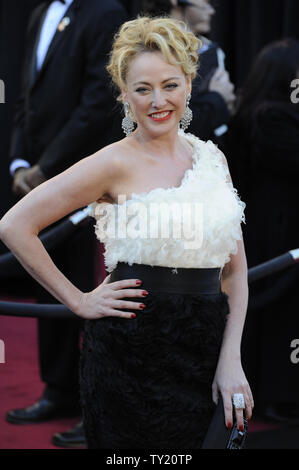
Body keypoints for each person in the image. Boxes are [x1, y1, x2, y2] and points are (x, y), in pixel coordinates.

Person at [0, 16, 253, 449]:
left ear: (190, 84)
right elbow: (15, 225)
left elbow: (235, 273)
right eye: (143, 89)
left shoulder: (213, 160)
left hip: (207, 355)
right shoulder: (111, 162)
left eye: (170, 85)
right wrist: (78, 300)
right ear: (123, 95)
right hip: (128, 357)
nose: (159, 101)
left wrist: (232, 358)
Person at [7, 0, 127, 448]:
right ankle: (58, 390)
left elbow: (98, 101)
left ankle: (93, 402)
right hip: (39, 174)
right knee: (48, 283)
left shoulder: (103, 11)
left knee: (91, 288)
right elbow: (26, 95)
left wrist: (48, 169)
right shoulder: (39, 12)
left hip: (85, 180)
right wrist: (21, 161)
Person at [226, 38, 299, 423]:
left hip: (269, 229)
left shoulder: (255, 113)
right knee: (281, 313)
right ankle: (278, 395)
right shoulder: (272, 118)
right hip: (279, 231)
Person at [141, 0, 236, 144]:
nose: (211, 11)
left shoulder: (210, 50)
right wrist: (216, 98)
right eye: (205, 3)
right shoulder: (150, 50)